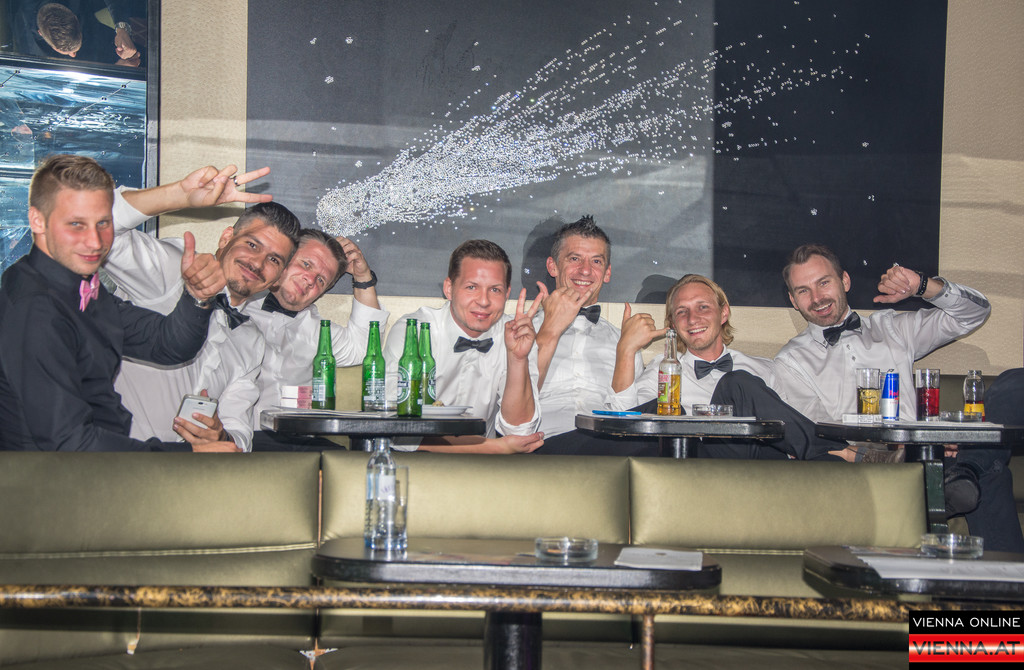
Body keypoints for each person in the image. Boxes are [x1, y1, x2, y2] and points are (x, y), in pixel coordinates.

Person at [774, 243, 1023, 551]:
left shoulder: (894, 328)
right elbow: (817, 435)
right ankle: (966, 472)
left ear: (845, 281)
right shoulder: (791, 361)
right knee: (989, 471)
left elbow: (975, 312)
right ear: (793, 300)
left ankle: (968, 473)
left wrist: (922, 285)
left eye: (824, 282)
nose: (817, 298)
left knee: (1014, 386)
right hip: (864, 470)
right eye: (803, 291)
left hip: (927, 458)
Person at [0, 154, 235, 451]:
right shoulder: (36, 308)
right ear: (37, 220)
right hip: (52, 476)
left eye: (103, 223)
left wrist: (198, 295)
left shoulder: (76, 287)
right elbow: (69, 443)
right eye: (76, 224)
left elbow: (166, 344)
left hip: (96, 467)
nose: (95, 241)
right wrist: (185, 458)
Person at [102, 167, 300, 452]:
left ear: (278, 277)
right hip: (111, 458)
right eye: (252, 244)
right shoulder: (173, 268)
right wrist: (178, 195)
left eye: (274, 260)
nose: (258, 263)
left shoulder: (252, 340)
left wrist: (220, 437)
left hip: (187, 471)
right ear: (226, 238)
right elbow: (102, 225)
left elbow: (239, 432)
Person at [607, 273, 844, 460]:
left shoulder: (765, 369)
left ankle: (834, 458)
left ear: (723, 313)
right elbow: (625, 424)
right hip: (698, 469)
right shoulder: (664, 370)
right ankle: (839, 455)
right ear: (673, 324)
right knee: (733, 385)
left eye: (703, 307)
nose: (692, 319)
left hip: (762, 468)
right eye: (681, 312)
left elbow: (799, 422)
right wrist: (626, 350)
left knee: (738, 383)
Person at [384, 239, 543, 453]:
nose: (484, 301)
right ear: (449, 288)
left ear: (507, 294)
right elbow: (395, 428)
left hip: (484, 466)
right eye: (471, 287)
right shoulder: (414, 331)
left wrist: (517, 358)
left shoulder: (518, 335)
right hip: (415, 462)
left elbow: (521, 431)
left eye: (495, 290)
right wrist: (493, 448)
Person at [246, 227, 389, 450]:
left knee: (346, 462)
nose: (310, 279)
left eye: (321, 280)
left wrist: (362, 278)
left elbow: (364, 346)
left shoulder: (319, 330)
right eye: (306, 264)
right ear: (283, 258)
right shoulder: (235, 310)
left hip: (297, 443)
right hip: (239, 439)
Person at [528, 216, 656, 455]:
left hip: (607, 448)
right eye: (574, 258)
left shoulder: (623, 341)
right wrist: (548, 332)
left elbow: (625, 420)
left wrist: (626, 351)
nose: (585, 270)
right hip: (543, 448)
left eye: (596, 261)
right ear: (552, 266)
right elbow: (514, 410)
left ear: (607, 273)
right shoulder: (523, 331)